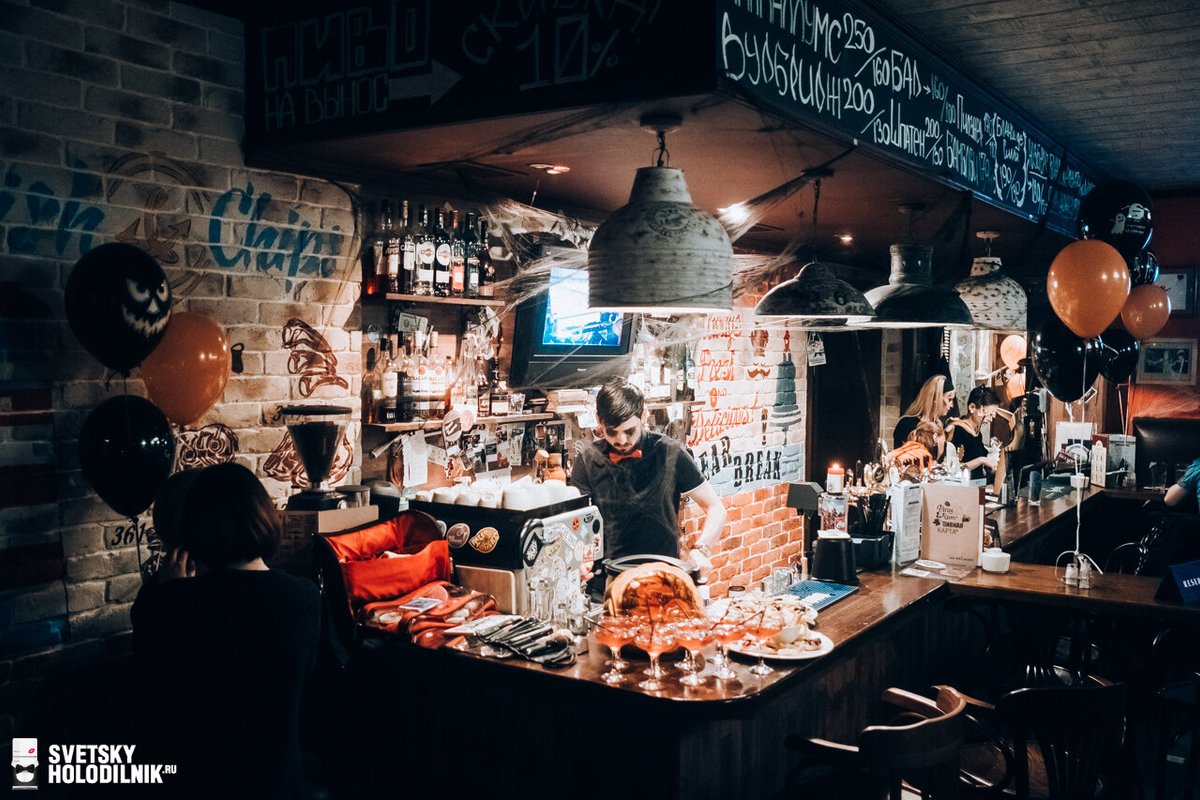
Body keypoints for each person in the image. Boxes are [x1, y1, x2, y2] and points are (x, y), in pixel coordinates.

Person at [132, 463, 320, 800]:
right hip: (276, 781)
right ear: (264, 515)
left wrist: (167, 594)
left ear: (193, 531)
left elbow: (149, 693)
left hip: (195, 782)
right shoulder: (305, 597)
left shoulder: (168, 604)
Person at [571, 378, 727, 580]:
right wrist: (580, 558)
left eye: (629, 431)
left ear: (643, 415)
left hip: (662, 578)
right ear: (598, 420)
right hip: (608, 581)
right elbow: (576, 523)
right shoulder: (587, 459)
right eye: (612, 432)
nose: (622, 440)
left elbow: (715, 508)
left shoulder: (670, 452)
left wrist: (702, 549)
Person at [946, 386, 1001, 481]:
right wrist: (981, 460)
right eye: (988, 414)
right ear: (972, 407)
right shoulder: (957, 431)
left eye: (992, 415)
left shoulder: (977, 434)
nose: (990, 419)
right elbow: (953, 468)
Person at [892, 375, 956, 448]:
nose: (952, 405)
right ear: (935, 398)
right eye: (949, 399)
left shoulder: (939, 425)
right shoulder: (907, 424)